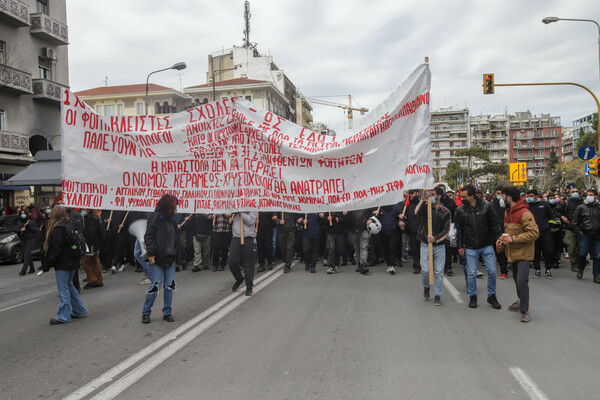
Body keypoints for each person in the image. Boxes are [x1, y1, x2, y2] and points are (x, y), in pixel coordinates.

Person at [455, 184, 502, 309]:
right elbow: (459, 229)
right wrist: (460, 245)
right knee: (471, 274)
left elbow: (495, 225)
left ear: (472, 196)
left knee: (492, 271)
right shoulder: (460, 210)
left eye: (464, 196)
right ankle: (473, 297)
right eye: (461, 196)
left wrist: (498, 240)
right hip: (469, 246)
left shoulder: (487, 207)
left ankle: (492, 296)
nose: (462, 198)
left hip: (486, 245)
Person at [497, 186, 539, 323]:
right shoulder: (507, 212)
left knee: (522, 281)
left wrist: (513, 239)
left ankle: (524, 310)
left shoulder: (525, 213)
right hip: (512, 252)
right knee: (517, 279)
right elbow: (508, 231)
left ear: (509, 198)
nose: (501, 199)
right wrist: (501, 240)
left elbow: (534, 233)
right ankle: (521, 301)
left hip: (524, 254)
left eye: (503, 196)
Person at [42, 206, 88, 325]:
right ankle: (78, 309)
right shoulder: (69, 225)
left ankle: (64, 316)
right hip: (73, 260)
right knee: (70, 285)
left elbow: (56, 248)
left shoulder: (58, 228)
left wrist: (47, 263)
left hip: (63, 262)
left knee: (63, 288)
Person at [142, 194, 181, 324]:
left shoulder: (172, 219)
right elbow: (149, 236)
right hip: (157, 258)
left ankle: (167, 312)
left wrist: (179, 254)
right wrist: (151, 252)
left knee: (169, 286)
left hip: (171, 257)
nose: (175, 209)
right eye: (173, 207)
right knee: (155, 286)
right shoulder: (155, 218)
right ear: (167, 206)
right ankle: (146, 312)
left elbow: (176, 238)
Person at [416, 187, 451, 306]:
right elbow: (416, 212)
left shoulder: (446, 212)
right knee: (425, 270)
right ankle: (426, 286)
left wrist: (435, 239)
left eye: (433, 194)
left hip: (439, 246)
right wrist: (423, 199)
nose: (431, 196)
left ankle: (437, 295)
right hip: (425, 244)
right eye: (429, 194)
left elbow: (446, 230)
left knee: (438, 272)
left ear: (439, 196)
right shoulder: (426, 208)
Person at [571, 189, 600, 284]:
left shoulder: (599, 207)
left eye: (591, 195)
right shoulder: (581, 207)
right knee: (582, 254)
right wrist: (579, 231)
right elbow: (575, 222)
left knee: (597, 256)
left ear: (596, 196)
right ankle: (580, 269)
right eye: (587, 195)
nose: (589, 197)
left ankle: (596, 275)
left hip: (597, 235)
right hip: (585, 234)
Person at [525, 189, 555, 279]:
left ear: (536, 196)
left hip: (545, 232)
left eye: (531, 196)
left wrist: (551, 226)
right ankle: (537, 269)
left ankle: (548, 269)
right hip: (533, 233)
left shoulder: (544, 204)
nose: (529, 198)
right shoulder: (526, 206)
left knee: (548, 250)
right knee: (535, 252)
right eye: (528, 196)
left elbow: (551, 216)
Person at [229, 212, 258, 296]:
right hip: (237, 237)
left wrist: (241, 212)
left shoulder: (253, 206)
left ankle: (249, 285)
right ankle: (239, 278)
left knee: (249, 263)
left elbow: (250, 221)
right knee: (232, 262)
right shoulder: (236, 206)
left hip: (249, 237)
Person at [555, 187, 583, 272]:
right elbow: (556, 211)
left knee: (582, 248)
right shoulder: (566, 203)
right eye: (573, 191)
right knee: (571, 248)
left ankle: (580, 262)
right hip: (570, 228)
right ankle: (574, 264)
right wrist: (562, 217)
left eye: (576, 191)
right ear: (569, 193)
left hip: (581, 229)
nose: (575, 193)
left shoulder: (583, 203)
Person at [81, 209, 104, 289]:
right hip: (96, 244)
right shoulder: (96, 220)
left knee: (83, 262)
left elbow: (90, 235)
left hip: (90, 245)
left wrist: (85, 244)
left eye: (84, 209)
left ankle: (92, 279)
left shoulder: (87, 220)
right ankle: (99, 280)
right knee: (95, 262)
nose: (82, 211)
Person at [346, 209, 373, 275]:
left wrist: (371, 219)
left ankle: (363, 264)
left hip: (363, 229)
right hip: (353, 230)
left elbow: (373, 212)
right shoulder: (350, 206)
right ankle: (359, 264)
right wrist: (345, 213)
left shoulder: (367, 205)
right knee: (357, 248)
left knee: (364, 247)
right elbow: (346, 218)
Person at [491, 187, 509, 279]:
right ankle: (504, 270)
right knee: (500, 252)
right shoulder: (491, 205)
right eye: (498, 193)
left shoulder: (509, 204)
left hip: (509, 230)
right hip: (497, 232)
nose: (500, 196)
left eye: (501, 194)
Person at [15, 208, 39, 275]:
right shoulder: (19, 222)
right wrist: (20, 230)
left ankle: (23, 270)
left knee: (26, 253)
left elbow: (36, 230)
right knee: (27, 254)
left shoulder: (31, 221)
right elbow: (16, 229)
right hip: (23, 239)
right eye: (21, 214)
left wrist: (28, 227)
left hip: (30, 239)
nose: (23, 215)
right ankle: (32, 268)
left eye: (24, 213)